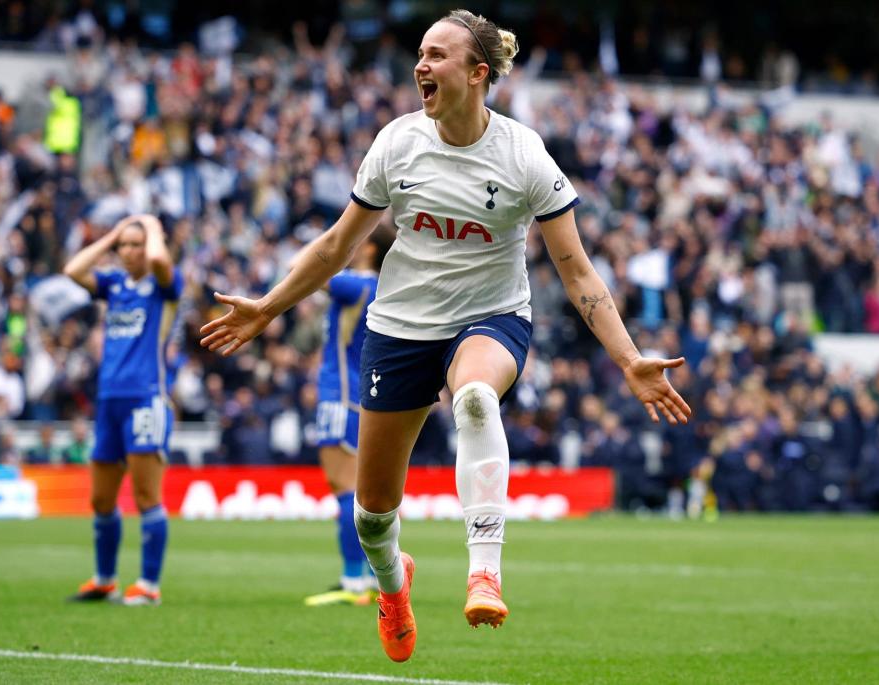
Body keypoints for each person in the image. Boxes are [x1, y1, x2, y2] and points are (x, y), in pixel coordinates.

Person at [201, 9, 691, 663]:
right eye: (421, 54)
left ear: (477, 73)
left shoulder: (523, 155)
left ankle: (484, 570)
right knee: (373, 513)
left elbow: (575, 269)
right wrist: (267, 305)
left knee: (476, 399)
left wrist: (629, 358)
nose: (420, 66)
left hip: (490, 317)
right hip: (401, 325)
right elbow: (334, 247)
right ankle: (392, 583)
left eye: (436, 55)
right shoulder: (397, 143)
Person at [64, 214, 183, 606]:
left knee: (147, 494)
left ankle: (149, 585)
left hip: (145, 398)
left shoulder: (164, 286)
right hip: (109, 400)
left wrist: (150, 228)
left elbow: (162, 264)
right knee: (101, 498)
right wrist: (112, 235)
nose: (129, 252)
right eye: (124, 246)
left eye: (136, 244)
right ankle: (104, 579)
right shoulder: (114, 284)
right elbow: (73, 269)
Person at [301, 229, 393, 607]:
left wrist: (334, 237)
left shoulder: (354, 283)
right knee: (367, 492)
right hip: (363, 393)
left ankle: (353, 578)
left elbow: (301, 266)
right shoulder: (380, 288)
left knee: (345, 489)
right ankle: (375, 576)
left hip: (340, 395)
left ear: (368, 247)